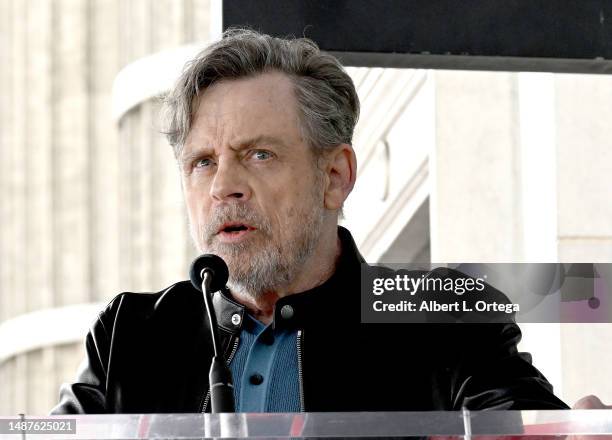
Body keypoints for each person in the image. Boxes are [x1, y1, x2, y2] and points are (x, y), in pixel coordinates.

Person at [51, 28, 568, 414]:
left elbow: (519, 422)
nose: (222, 186)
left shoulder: (436, 315)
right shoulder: (133, 336)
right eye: (202, 161)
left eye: (258, 155)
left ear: (335, 176)